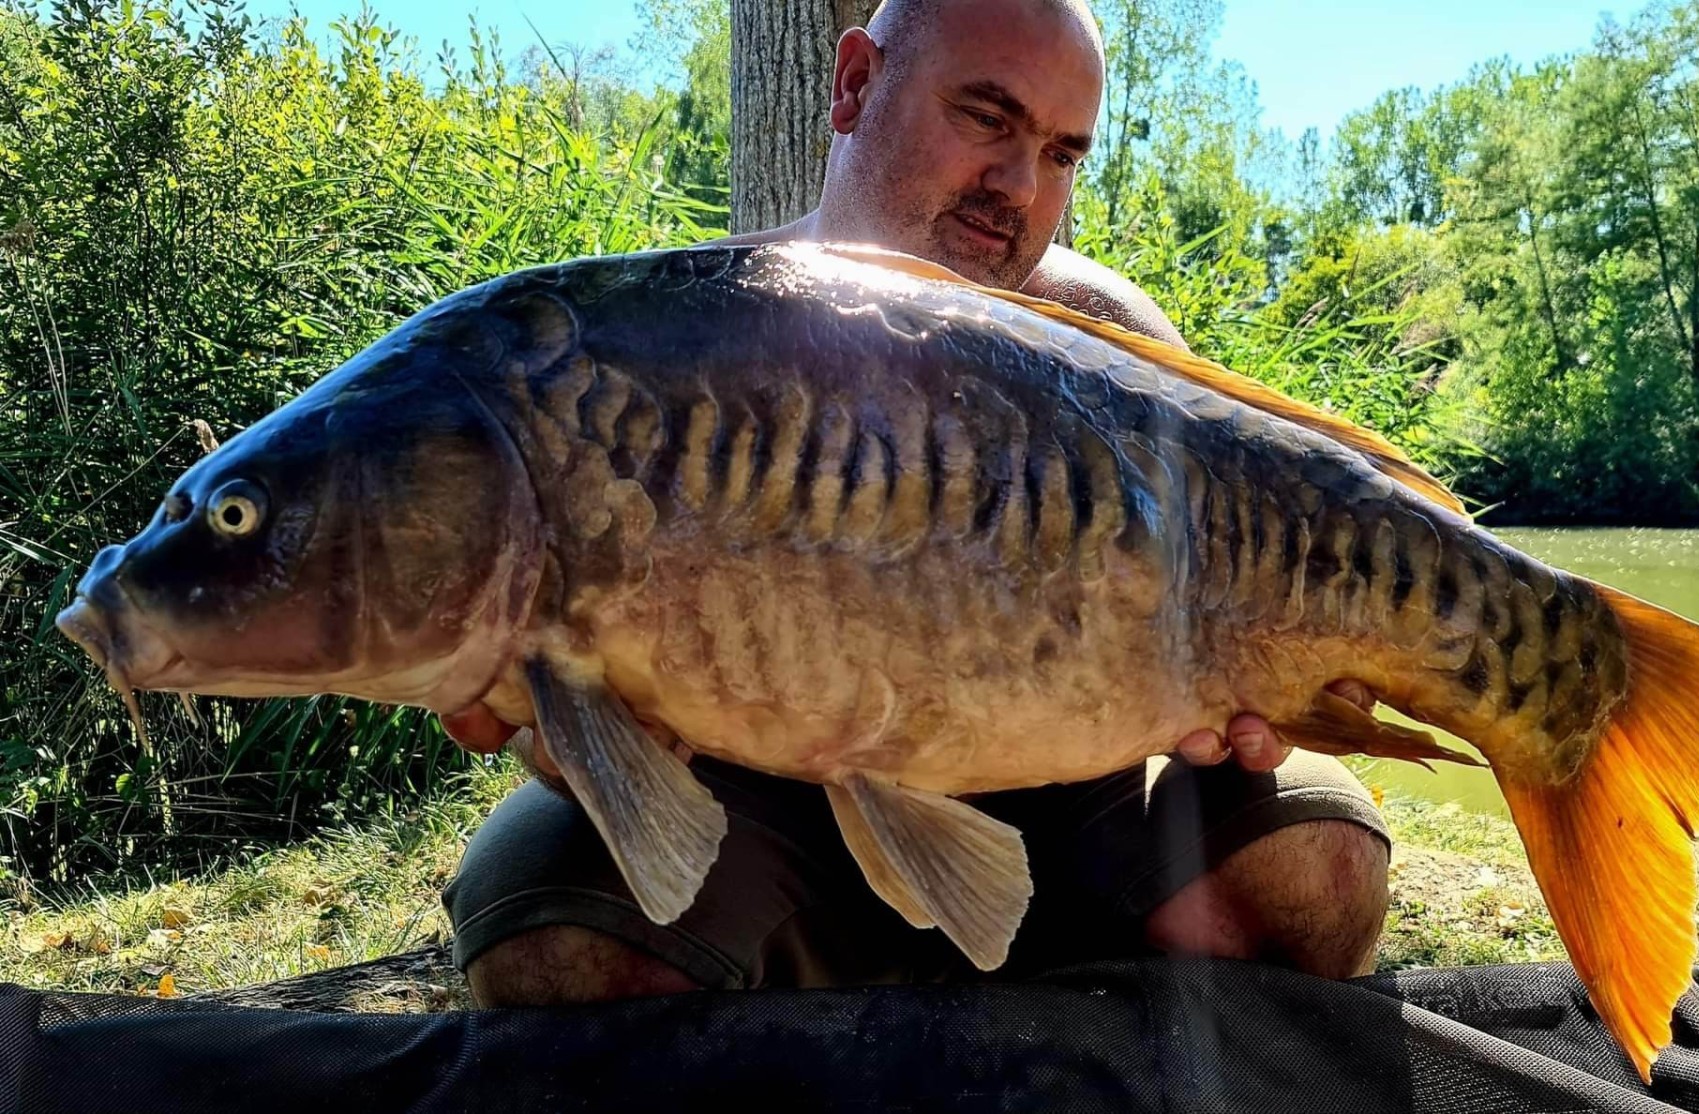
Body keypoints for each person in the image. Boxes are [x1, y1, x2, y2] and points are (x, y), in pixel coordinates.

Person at [436, 0, 1392, 1007]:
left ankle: (1075, 1034)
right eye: (986, 119)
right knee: (547, 926)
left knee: (1316, 865)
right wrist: (587, 716)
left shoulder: (1105, 334)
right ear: (854, 84)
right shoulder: (695, 343)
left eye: (1061, 154)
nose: (1019, 185)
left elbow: (1235, 588)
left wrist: (1269, 676)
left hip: (1074, 790)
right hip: (775, 797)